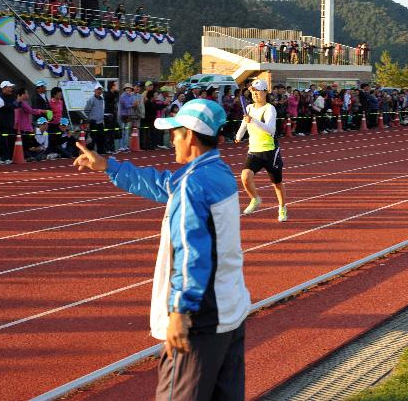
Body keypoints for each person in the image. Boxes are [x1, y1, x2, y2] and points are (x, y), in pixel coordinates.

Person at [73, 99, 250, 401]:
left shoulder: (193, 184)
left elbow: (192, 253)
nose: (172, 140)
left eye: (175, 134)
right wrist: (108, 166)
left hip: (200, 318)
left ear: (190, 136)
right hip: (230, 308)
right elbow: (162, 184)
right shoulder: (217, 171)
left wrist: (180, 313)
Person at [235, 79, 288, 221]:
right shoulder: (249, 108)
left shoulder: (270, 108)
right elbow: (244, 124)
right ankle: (255, 199)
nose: (255, 94)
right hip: (254, 151)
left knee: (277, 183)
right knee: (245, 177)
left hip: (270, 152)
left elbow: (270, 129)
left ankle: (282, 207)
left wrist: (253, 120)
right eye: (253, 91)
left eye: (257, 91)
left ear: (265, 92)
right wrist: (238, 136)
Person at [0, 80, 17, 164]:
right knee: (3, 141)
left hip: (11, 122)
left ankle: (9, 157)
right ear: (4, 88)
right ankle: (3, 157)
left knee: (11, 140)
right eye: (9, 87)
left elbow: (16, 106)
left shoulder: (12, 96)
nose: (11, 89)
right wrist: (13, 104)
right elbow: (5, 106)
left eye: (11, 87)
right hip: (2, 123)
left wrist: (14, 104)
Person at [83, 85, 106, 154]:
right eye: (98, 89)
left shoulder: (102, 99)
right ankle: (91, 152)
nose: (99, 91)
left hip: (101, 122)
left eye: (100, 90)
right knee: (93, 138)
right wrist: (91, 118)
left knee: (101, 137)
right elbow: (86, 110)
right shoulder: (91, 99)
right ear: (94, 90)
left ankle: (101, 151)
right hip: (94, 122)